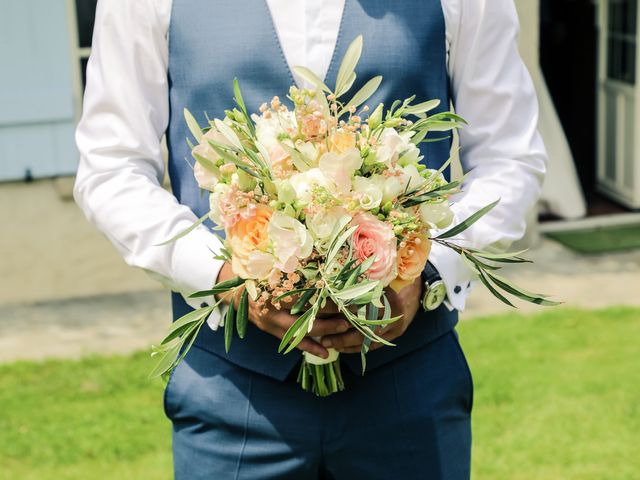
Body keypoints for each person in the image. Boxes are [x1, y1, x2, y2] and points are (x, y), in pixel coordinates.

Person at [74, 0, 546, 478]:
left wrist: (424, 270)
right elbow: (112, 166)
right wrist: (222, 276)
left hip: (408, 391)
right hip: (232, 397)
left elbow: (511, 157)